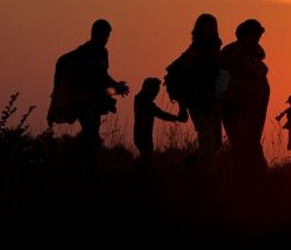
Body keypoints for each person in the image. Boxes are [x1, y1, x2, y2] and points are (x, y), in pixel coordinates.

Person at [48, 19, 129, 162]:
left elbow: (103, 75)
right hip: (83, 99)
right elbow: (61, 61)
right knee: (91, 132)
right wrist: (57, 90)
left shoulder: (104, 53)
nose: (107, 40)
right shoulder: (83, 52)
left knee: (92, 132)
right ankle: (76, 158)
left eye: (108, 36)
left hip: (97, 97)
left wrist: (117, 85)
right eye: (105, 36)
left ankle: (80, 161)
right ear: (96, 34)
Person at [164, 14, 223, 166]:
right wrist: (183, 104)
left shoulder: (215, 46)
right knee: (207, 137)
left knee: (216, 141)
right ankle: (202, 172)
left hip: (212, 98)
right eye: (207, 26)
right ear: (200, 28)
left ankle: (191, 167)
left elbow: (217, 70)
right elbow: (180, 69)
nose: (210, 29)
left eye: (212, 26)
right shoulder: (196, 48)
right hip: (197, 98)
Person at [218, 19, 271, 175]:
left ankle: (251, 174)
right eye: (255, 35)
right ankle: (247, 174)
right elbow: (255, 69)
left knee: (250, 141)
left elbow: (260, 68)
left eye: (258, 36)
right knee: (241, 141)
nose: (257, 39)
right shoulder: (233, 53)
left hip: (253, 105)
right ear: (245, 36)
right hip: (236, 104)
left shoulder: (253, 54)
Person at [133, 77, 188, 161]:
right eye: (154, 92)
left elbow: (161, 114)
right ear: (149, 91)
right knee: (148, 158)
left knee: (147, 157)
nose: (155, 95)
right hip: (144, 137)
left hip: (140, 136)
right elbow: (161, 114)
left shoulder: (138, 100)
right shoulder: (148, 104)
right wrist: (175, 118)